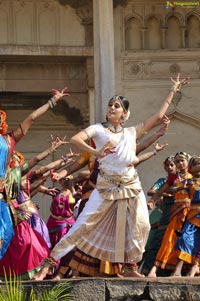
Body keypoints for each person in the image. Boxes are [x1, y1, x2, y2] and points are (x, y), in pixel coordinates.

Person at [32, 73, 189, 280]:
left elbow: (159, 116)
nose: (111, 108)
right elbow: (75, 139)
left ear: (124, 113)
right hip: (105, 187)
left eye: (116, 106)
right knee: (81, 226)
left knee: (142, 225)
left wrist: (173, 90)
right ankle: (47, 267)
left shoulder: (131, 132)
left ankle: (129, 266)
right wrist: (96, 152)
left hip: (131, 185)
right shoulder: (98, 129)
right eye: (110, 105)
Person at [0, 87, 69, 259]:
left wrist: (52, 102)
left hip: (2, 195)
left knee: (6, 233)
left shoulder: (9, 140)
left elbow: (31, 117)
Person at [147, 151, 192, 277]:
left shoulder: (193, 175)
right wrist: (152, 201)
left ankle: (183, 270)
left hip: (190, 213)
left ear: (188, 162)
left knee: (187, 240)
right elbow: (160, 191)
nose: (180, 163)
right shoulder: (173, 178)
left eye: (182, 160)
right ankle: (154, 270)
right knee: (169, 238)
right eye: (177, 161)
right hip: (176, 211)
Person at [141, 155, 177, 276]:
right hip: (160, 212)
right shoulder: (163, 181)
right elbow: (151, 191)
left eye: (172, 165)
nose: (169, 167)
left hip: (174, 212)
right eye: (167, 165)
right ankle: (142, 269)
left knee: (167, 240)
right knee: (150, 241)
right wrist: (165, 193)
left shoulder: (181, 179)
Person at [171, 155, 200, 277]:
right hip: (193, 215)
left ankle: (194, 269)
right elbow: (173, 190)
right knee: (184, 239)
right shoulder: (189, 181)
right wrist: (183, 187)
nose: (198, 165)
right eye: (195, 164)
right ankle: (177, 270)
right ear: (191, 168)